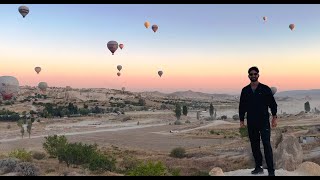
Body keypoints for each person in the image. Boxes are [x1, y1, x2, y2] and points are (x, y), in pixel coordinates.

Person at [239, 66, 277, 176]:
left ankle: (271, 170)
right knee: (254, 145)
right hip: (251, 122)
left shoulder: (265, 89)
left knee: (266, 145)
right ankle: (258, 167)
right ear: (248, 76)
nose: (253, 76)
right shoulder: (245, 90)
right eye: (251, 74)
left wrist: (274, 118)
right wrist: (241, 120)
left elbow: (272, 104)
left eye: (255, 74)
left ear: (258, 75)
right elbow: (242, 106)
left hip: (264, 121)